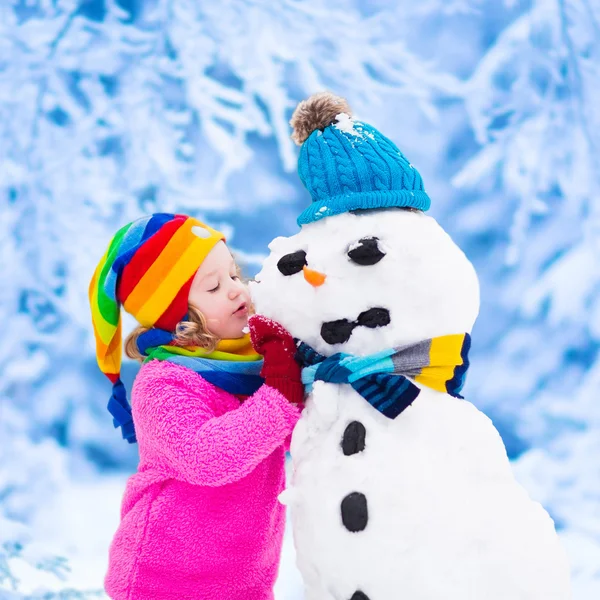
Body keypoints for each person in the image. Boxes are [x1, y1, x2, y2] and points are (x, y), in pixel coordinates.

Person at [88, 212, 303, 600]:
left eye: (235, 276)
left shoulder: (250, 369)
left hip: (243, 581)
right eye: (214, 287)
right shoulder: (163, 382)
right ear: (177, 315)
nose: (238, 290)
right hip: (162, 580)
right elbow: (208, 457)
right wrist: (282, 392)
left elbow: (294, 435)